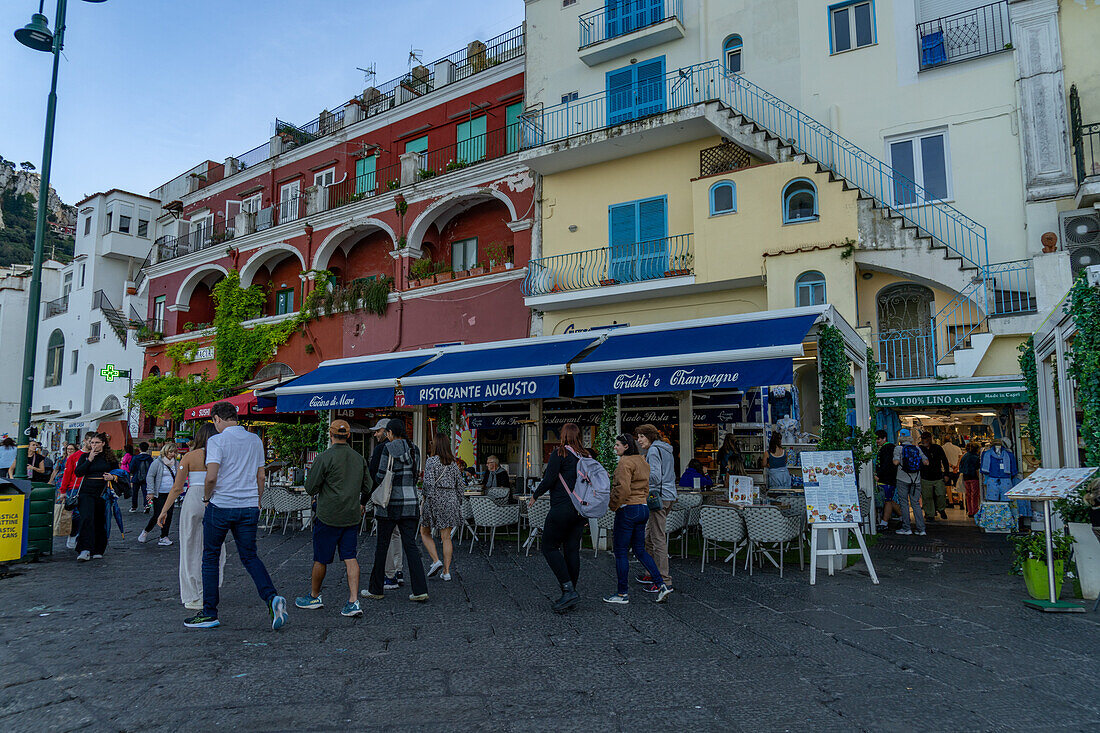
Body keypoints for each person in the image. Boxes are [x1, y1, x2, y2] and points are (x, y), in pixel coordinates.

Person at [185, 401, 288, 630]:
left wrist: (206, 497)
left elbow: (211, 477)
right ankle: (271, 597)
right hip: (249, 506)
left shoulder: (216, 440)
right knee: (250, 556)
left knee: (210, 557)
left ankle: (210, 612)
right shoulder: (254, 440)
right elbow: (261, 476)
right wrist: (258, 501)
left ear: (217, 419)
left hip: (221, 505)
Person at [296, 419, 373, 618]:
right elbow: (368, 487)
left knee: (321, 558)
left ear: (331, 435)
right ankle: (353, 600)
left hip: (328, 514)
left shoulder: (324, 457)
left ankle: (314, 596)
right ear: (348, 435)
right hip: (351, 514)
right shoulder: (359, 458)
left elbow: (310, 487)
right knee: (350, 556)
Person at [157, 422, 226, 610]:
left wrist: (164, 510)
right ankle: (210, 589)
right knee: (214, 546)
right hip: (216, 499)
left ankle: (194, 594)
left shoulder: (189, 457)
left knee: (189, 546)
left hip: (194, 498)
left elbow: (177, 488)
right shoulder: (220, 455)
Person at [529, 422, 593, 612]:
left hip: (562, 507)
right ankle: (570, 592)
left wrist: (535, 495)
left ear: (563, 436)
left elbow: (549, 479)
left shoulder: (560, 454)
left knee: (549, 546)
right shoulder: (586, 455)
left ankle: (568, 590)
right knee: (572, 550)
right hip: (580, 510)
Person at [364, 418, 429, 602]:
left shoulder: (387, 448)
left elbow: (380, 475)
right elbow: (416, 474)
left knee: (382, 546)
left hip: (389, 504)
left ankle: (376, 589)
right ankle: (420, 590)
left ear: (390, 433)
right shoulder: (414, 449)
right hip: (410, 503)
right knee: (411, 546)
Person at [604, 434, 671, 605]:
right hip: (643, 507)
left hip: (628, 508)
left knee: (620, 552)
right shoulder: (642, 461)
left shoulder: (624, 463)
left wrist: (613, 505)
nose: (615, 448)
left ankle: (622, 594)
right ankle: (661, 585)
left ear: (626, 446)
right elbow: (648, 485)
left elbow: (623, 489)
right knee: (640, 550)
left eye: (617, 445)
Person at [634, 424, 677, 594]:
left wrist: (640, 470)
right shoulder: (666, 449)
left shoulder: (653, 451)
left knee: (657, 537)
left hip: (657, 497)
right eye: (638, 437)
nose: (639, 440)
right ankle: (651, 572)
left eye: (641, 437)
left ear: (650, 436)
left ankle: (664, 580)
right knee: (649, 535)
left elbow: (655, 476)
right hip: (668, 495)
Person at [364, 418, 405, 593]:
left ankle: (390, 575)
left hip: (385, 499)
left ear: (387, 431)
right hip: (402, 499)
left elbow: (374, 476)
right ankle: (398, 569)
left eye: (378, 431)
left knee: (385, 537)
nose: (376, 434)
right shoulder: (408, 448)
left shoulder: (383, 449)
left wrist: (365, 498)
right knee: (397, 535)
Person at [419, 431, 463, 582]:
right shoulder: (453, 463)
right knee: (446, 538)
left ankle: (436, 560)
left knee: (424, 532)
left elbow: (428, 484)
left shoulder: (431, 461)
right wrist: (457, 501)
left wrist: (424, 499)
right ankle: (447, 571)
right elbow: (460, 486)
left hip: (435, 499)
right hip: (451, 500)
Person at [73, 432, 121, 561]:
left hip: (102, 492)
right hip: (86, 491)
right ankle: (84, 548)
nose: (94, 445)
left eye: (97, 443)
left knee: (100, 520)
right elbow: (78, 473)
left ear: (103, 443)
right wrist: (89, 459)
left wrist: (112, 477)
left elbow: (119, 473)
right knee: (86, 518)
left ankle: (98, 548)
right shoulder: (85, 457)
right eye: (92, 443)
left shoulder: (109, 458)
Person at [982, 437, 1029, 529]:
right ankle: (995, 522)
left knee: (1007, 502)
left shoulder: (1008, 455)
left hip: (1004, 479)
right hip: (994, 479)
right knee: (993, 502)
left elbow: (1013, 469)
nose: (997, 447)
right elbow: (983, 469)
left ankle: (1007, 522)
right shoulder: (987, 454)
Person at [60, 432, 95, 550]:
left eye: (94, 442)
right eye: (90, 441)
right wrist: (63, 491)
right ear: (85, 441)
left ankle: (81, 537)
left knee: (86, 515)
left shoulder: (96, 456)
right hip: (75, 488)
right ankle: (73, 534)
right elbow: (67, 473)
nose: (92, 444)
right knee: (76, 514)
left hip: (89, 489)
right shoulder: (75, 456)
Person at [139, 443, 179, 546]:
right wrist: (150, 491)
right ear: (165, 452)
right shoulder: (157, 463)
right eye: (171, 452)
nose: (172, 454)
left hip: (170, 493)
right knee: (158, 514)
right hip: (159, 493)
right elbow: (150, 476)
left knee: (169, 515)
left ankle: (163, 536)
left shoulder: (176, 464)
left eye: (174, 452)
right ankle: (146, 531)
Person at [892, 428, 929, 536]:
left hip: (902, 479)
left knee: (904, 504)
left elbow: (895, 462)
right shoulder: (917, 448)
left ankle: (906, 528)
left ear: (900, 437)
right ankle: (921, 529)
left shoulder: (898, 448)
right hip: (916, 480)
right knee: (916, 503)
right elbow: (926, 462)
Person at [919, 432, 951, 522]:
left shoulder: (937, 448)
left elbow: (944, 460)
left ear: (930, 438)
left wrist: (946, 474)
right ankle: (930, 514)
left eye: (926, 438)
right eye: (923, 438)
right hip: (925, 477)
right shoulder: (920, 449)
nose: (925, 440)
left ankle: (941, 508)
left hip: (938, 476)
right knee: (927, 497)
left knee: (941, 494)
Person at [874, 430, 900, 529]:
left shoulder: (886, 449)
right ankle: (903, 516)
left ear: (884, 438)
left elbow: (885, 465)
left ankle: (884, 523)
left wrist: (879, 475)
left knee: (887, 500)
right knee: (889, 499)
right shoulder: (892, 447)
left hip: (886, 479)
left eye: (878, 439)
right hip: (891, 478)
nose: (877, 441)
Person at [764, 432, 792, 499]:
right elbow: (785, 462)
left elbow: (763, 464)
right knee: (785, 496)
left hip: (774, 477)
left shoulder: (767, 453)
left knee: (775, 496)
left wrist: (769, 464)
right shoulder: (785, 452)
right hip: (785, 475)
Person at [129, 442, 153, 513]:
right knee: (147, 493)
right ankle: (147, 505)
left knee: (134, 493)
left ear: (139, 449)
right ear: (147, 449)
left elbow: (131, 468)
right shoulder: (150, 458)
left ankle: (134, 507)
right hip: (147, 478)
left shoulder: (135, 458)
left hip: (136, 477)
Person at [959, 442, 982, 518]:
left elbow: (961, 467)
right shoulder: (976, 457)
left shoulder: (964, 456)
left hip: (966, 477)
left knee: (968, 495)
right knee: (974, 495)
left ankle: (970, 511)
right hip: (974, 477)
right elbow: (977, 468)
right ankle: (975, 510)